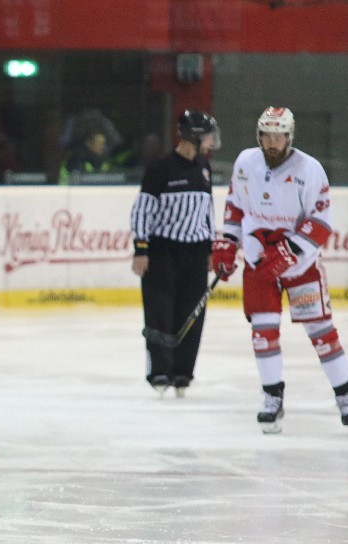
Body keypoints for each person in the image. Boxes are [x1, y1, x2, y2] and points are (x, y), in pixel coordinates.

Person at [211, 107, 348, 433]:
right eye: (267, 136)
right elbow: (234, 207)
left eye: (279, 137)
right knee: (263, 333)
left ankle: (344, 396)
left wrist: (289, 253)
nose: (272, 143)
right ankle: (272, 398)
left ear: (289, 137)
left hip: (301, 266)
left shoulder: (309, 169)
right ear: (259, 136)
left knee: (322, 334)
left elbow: (320, 223)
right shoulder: (245, 163)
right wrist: (228, 244)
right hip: (259, 264)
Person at [130, 109, 220, 397]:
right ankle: (159, 371)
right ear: (192, 135)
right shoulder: (161, 168)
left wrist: (210, 249)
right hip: (162, 252)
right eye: (206, 134)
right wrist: (141, 248)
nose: (210, 140)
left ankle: (182, 373)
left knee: (191, 315)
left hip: (195, 254)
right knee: (160, 313)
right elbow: (142, 210)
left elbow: (208, 212)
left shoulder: (203, 168)